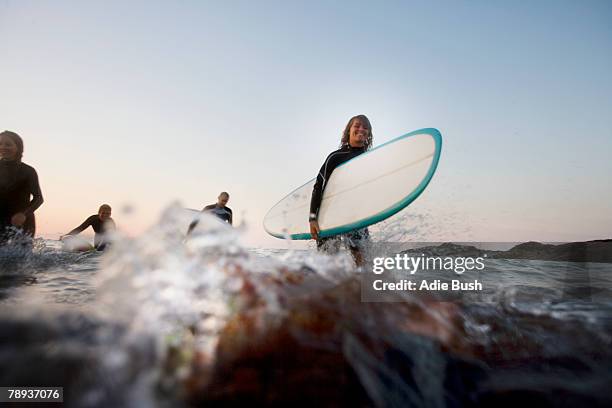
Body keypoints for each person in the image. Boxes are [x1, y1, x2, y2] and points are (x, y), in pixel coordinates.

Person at [309, 115, 373, 266]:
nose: (361, 129)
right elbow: (318, 187)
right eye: (357, 126)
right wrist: (312, 218)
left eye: (365, 127)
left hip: (356, 217)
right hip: (329, 216)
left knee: (363, 264)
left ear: (369, 134)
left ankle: (361, 287)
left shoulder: (371, 159)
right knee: (328, 264)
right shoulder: (335, 157)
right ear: (348, 131)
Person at [0, 131, 44, 244]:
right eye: (0, 144)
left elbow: (39, 198)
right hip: (1, 219)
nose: (3, 147)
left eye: (8, 144)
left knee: (20, 259)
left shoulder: (28, 171)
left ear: (18, 147)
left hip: (22, 222)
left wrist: (23, 214)